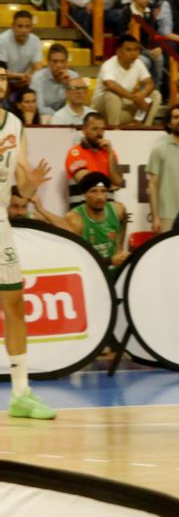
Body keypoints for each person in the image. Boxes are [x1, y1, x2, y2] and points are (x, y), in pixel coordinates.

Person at [0, 64, 54, 420]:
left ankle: (21, 393)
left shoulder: (14, 124)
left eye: (3, 77)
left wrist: (32, 182)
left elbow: (21, 184)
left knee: (15, 303)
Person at [35, 171, 127, 274]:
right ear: (84, 195)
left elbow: (124, 220)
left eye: (103, 191)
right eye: (93, 191)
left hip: (115, 271)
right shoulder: (75, 219)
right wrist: (41, 210)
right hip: (90, 272)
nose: (99, 196)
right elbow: (80, 259)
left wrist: (119, 247)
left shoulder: (118, 209)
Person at [92, 34, 161, 126]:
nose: (133, 53)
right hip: (102, 110)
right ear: (118, 51)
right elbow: (110, 85)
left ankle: (145, 127)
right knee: (112, 95)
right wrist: (134, 98)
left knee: (155, 95)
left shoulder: (138, 63)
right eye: (128, 50)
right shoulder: (108, 64)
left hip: (123, 106)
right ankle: (114, 131)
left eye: (136, 49)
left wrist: (141, 95)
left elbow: (150, 83)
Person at [64, 111, 123, 206]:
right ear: (84, 130)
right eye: (95, 129)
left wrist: (111, 154)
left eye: (102, 129)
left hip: (107, 210)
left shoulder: (110, 153)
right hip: (81, 210)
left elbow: (119, 182)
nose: (99, 133)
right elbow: (87, 181)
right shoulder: (75, 153)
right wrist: (109, 185)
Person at [0, 11, 42, 86]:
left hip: (24, 81)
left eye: (27, 26)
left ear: (31, 27)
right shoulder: (2, 40)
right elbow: (1, 72)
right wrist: (20, 76)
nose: (24, 30)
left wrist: (29, 77)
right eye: (20, 26)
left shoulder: (35, 40)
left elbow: (38, 69)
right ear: (12, 26)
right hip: (4, 80)